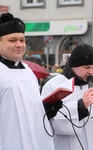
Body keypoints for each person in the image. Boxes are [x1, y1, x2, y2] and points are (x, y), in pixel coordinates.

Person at [42, 43, 93, 150]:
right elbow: (48, 122)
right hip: (70, 145)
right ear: (73, 66)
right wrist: (80, 106)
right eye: (86, 67)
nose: (91, 72)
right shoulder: (53, 85)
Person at [0, 13, 55, 150]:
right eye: (12, 40)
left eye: (22, 40)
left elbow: (32, 109)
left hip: (35, 142)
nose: (19, 45)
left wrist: (48, 109)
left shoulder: (28, 71)